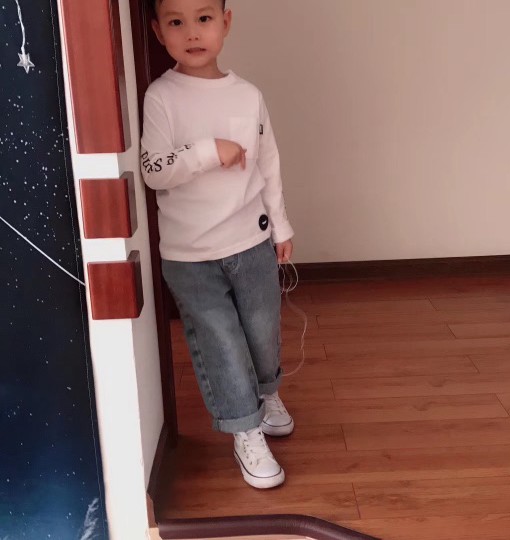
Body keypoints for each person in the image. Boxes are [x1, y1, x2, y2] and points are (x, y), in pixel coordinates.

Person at [141, 0, 295, 489]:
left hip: (251, 241)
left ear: (225, 23)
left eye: (204, 18)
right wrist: (209, 151)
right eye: (176, 22)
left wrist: (281, 226)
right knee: (222, 344)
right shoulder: (161, 96)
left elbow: (268, 162)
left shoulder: (248, 95)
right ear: (158, 31)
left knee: (262, 331)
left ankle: (266, 394)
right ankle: (245, 430)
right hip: (191, 256)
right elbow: (153, 169)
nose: (192, 32)